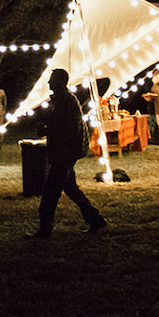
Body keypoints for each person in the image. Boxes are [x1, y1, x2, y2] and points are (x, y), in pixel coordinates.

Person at [29, 69, 107, 238]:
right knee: (71, 189)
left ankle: (45, 228)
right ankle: (96, 219)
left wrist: (48, 131)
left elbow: (69, 130)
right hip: (63, 152)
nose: (49, 83)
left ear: (59, 82)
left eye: (51, 80)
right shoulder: (61, 101)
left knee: (50, 192)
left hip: (64, 154)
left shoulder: (67, 102)